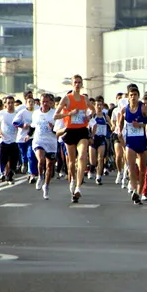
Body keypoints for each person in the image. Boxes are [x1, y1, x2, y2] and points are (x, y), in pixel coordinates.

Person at [54, 75, 96, 203]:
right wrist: (69, 113)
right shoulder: (67, 98)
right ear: (72, 84)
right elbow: (56, 115)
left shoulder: (84, 99)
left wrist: (89, 117)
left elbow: (92, 109)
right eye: (75, 82)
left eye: (79, 82)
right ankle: (72, 180)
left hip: (82, 130)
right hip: (70, 131)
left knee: (83, 156)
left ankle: (78, 187)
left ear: (82, 84)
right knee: (71, 162)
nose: (77, 84)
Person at [30, 94, 58, 198]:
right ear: (40, 102)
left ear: (50, 103)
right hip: (39, 140)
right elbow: (33, 127)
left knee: (50, 165)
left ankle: (46, 186)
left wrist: (53, 128)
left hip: (51, 142)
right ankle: (40, 176)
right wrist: (28, 135)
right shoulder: (36, 113)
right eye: (43, 102)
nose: (45, 104)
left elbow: (58, 131)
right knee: (41, 160)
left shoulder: (54, 114)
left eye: (47, 102)